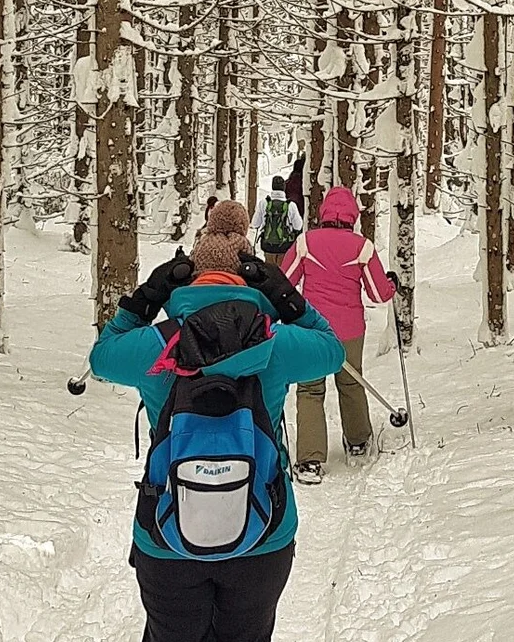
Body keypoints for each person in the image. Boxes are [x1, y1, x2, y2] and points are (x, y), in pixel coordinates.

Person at [91, 201, 345, 642]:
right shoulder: (276, 341)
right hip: (264, 531)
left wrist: (142, 301)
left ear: (191, 278)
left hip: (166, 535)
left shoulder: (157, 345)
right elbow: (332, 349)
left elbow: (101, 356)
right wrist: (287, 297)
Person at [280, 186, 398, 485]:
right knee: (351, 381)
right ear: (352, 216)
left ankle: (310, 461)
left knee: (309, 388)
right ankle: (358, 443)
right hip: (349, 330)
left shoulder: (305, 242)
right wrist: (391, 284)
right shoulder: (362, 247)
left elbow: (284, 282)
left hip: (312, 330)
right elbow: (377, 293)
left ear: (323, 214)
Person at [252, 176, 305, 262]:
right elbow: (298, 226)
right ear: (284, 187)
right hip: (285, 247)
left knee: (269, 272)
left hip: (268, 246)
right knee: (282, 272)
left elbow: (255, 224)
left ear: (272, 187)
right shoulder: (291, 205)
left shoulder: (264, 203)